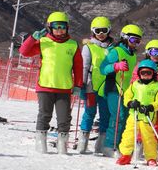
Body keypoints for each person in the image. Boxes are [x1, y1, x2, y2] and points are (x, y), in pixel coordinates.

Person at [19, 11, 83, 155]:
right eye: (56, 26)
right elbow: (24, 52)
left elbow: (78, 67)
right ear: (49, 27)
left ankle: (62, 146)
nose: (59, 30)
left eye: (63, 26)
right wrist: (32, 39)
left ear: (67, 27)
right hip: (45, 85)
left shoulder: (72, 45)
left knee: (64, 118)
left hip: (64, 88)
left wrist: (78, 85)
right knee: (44, 115)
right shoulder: (43, 42)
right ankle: (41, 144)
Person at [99, 24, 143, 157]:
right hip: (114, 88)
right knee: (118, 117)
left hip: (126, 90)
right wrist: (115, 66)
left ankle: (120, 145)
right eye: (133, 40)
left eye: (138, 41)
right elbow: (103, 68)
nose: (136, 43)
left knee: (125, 118)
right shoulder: (116, 51)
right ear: (125, 38)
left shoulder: (132, 55)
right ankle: (109, 146)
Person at [115, 60, 158, 166]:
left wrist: (151, 107)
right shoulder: (135, 85)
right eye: (143, 73)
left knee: (148, 138)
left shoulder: (157, 86)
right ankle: (126, 155)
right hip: (134, 115)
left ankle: (151, 157)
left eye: (149, 73)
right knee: (128, 135)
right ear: (139, 74)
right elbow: (127, 96)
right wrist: (130, 103)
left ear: (154, 74)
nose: (146, 75)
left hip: (148, 116)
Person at [78, 16, 114, 155]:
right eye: (97, 31)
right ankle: (83, 144)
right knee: (89, 113)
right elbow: (84, 66)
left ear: (108, 30)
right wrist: (81, 84)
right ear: (93, 31)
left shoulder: (113, 48)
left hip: (106, 88)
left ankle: (100, 146)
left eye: (104, 30)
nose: (101, 34)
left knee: (105, 115)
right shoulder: (89, 47)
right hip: (91, 87)